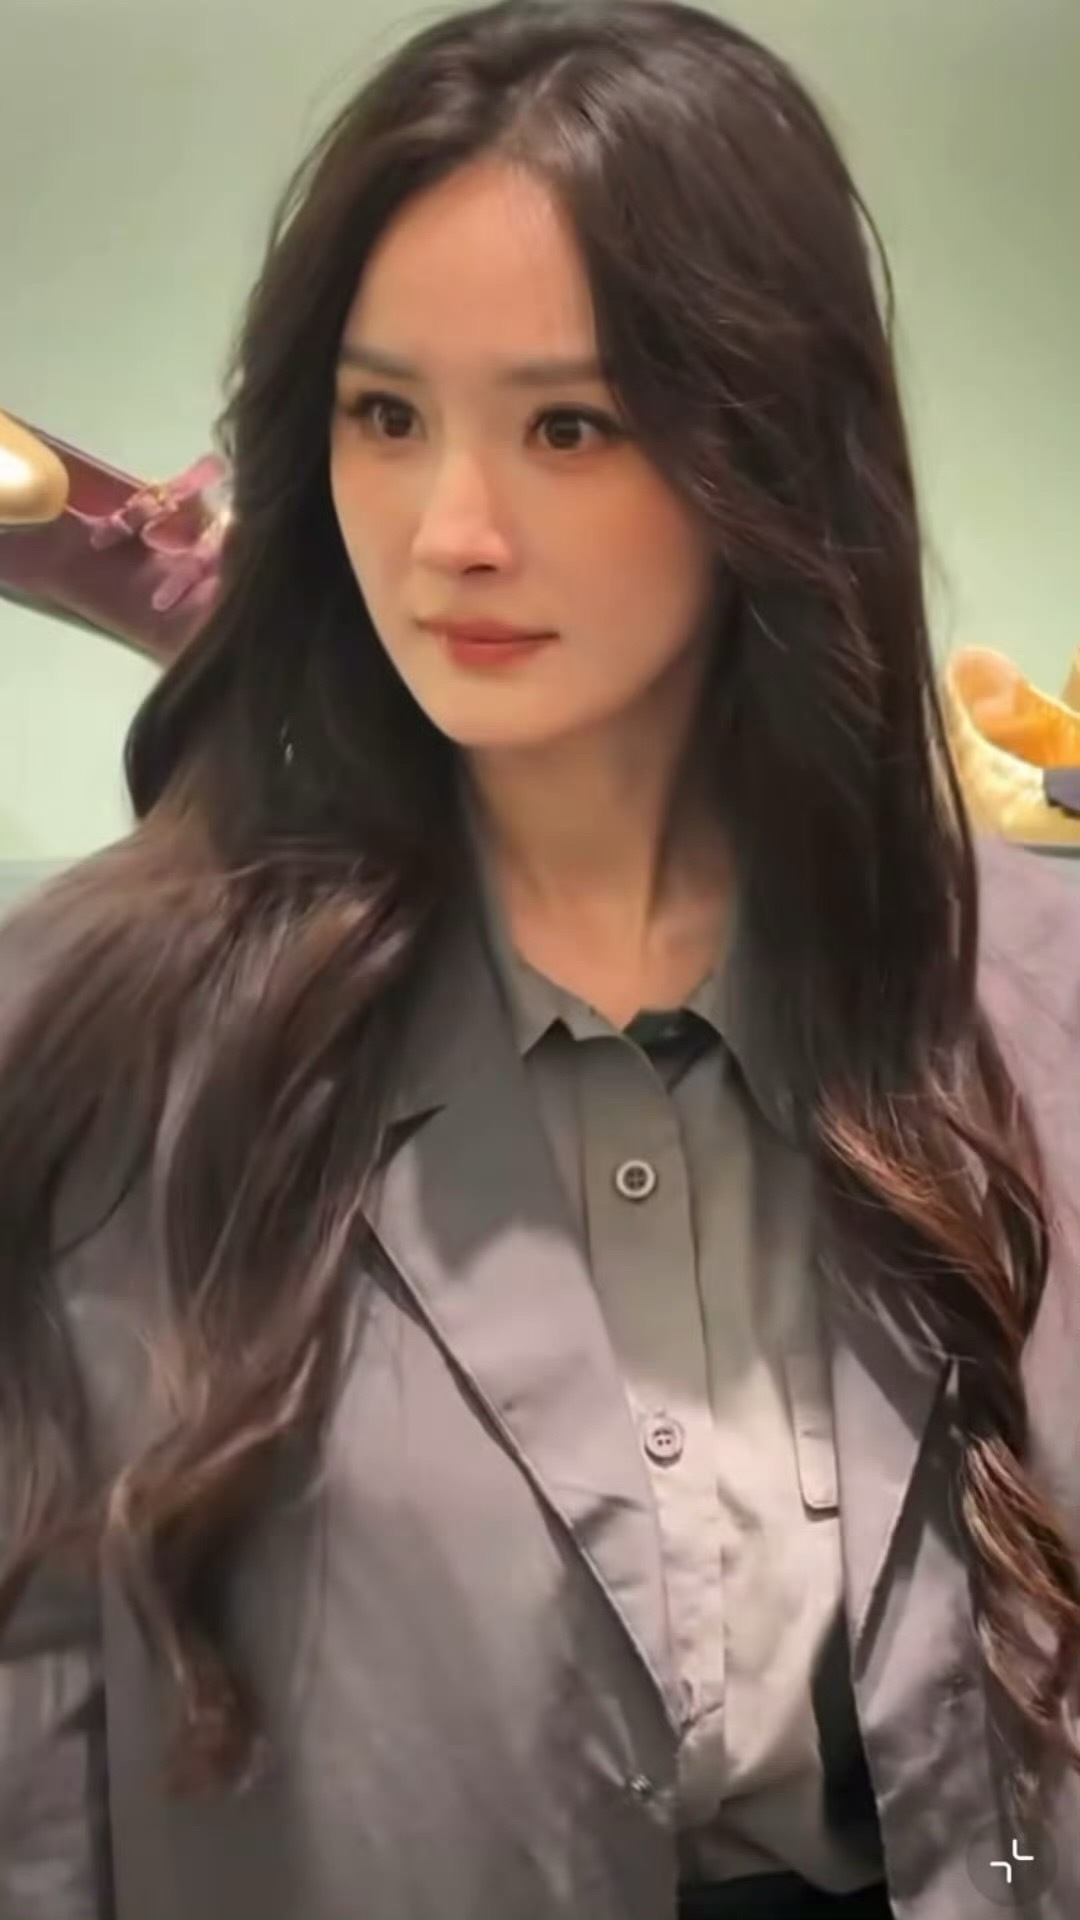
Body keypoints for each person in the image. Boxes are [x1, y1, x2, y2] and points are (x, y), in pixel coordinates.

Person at [0, 3, 1078, 1916]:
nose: (452, 535)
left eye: (568, 426)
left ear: (776, 451)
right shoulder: (103, 1039)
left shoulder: (1034, 1001)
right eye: (386, 417)